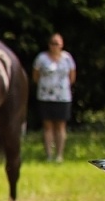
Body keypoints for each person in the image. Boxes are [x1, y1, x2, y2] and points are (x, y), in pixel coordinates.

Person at [32, 33, 77, 162]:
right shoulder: (41, 58)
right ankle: (49, 155)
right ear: (49, 45)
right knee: (47, 126)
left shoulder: (67, 58)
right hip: (45, 97)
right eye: (52, 43)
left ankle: (59, 155)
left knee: (60, 126)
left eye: (57, 43)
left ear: (62, 44)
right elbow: (35, 76)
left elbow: (72, 77)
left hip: (63, 97)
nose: (54, 46)